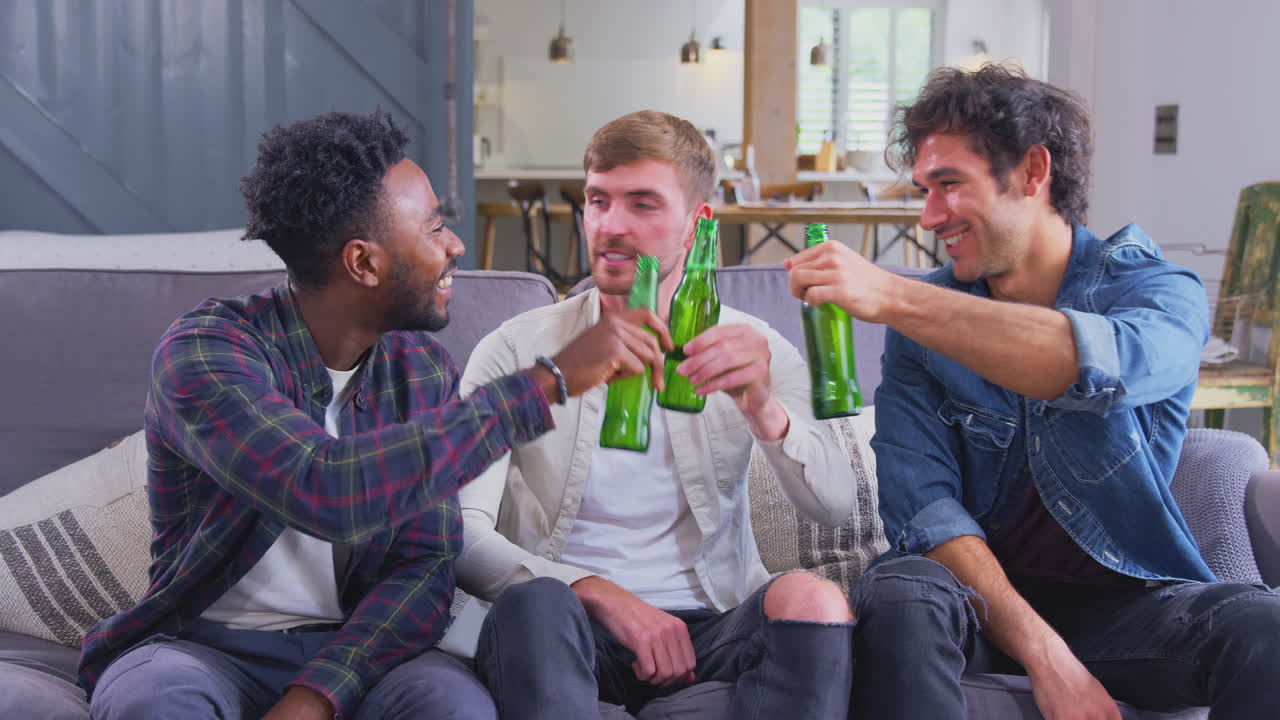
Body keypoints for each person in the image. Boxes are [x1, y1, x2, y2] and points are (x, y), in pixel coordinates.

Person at [79, 110, 670, 720]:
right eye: (435, 227)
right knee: (152, 701)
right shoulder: (207, 351)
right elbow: (327, 486)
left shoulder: (421, 370)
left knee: (454, 708)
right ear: (363, 263)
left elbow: (424, 566)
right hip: (203, 648)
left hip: (361, 648)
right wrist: (548, 382)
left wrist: (316, 697)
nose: (456, 245)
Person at [787, 64, 1280, 719]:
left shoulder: (1158, 293)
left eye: (949, 185)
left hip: (1120, 607)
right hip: (969, 605)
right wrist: (1045, 656)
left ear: (1032, 171)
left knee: (1263, 625)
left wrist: (894, 294)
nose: (929, 216)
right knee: (901, 589)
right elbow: (923, 508)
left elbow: (1095, 368)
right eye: (924, 190)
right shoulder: (920, 325)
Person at [455, 110, 860, 720]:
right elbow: (459, 532)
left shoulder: (755, 347)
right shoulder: (516, 350)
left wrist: (762, 407)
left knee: (815, 600)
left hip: (712, 624)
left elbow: (834, 506)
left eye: (643, 204)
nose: (611, 225)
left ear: (697, 223)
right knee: (535, 603)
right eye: (598, 201)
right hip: (567, 621)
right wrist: (598, 592)